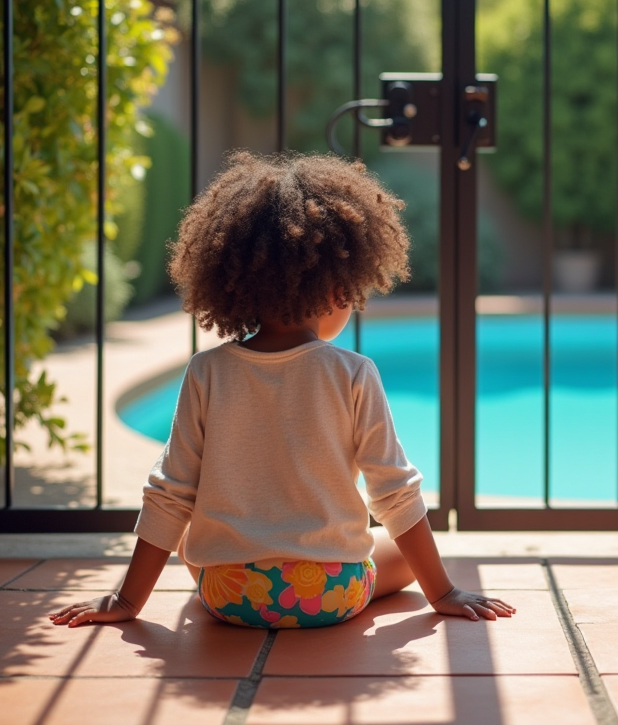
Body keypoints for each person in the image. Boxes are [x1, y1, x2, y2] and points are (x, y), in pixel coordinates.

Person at [50, 151, 514, 630]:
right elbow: (394, 493)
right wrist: (442, 591)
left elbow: (170, 494)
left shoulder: (206, 371)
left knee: (194, 536)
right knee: (389, 547)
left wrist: (127, 600)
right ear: (341, 288)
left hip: (228, 595)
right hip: (331, 596)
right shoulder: (353, 372)